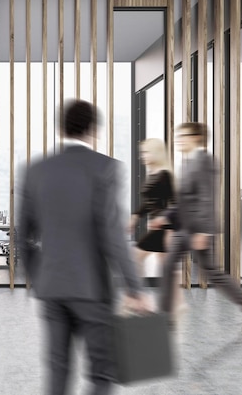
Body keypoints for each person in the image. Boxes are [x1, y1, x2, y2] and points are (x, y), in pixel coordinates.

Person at [17, 99, 151, 395]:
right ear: (93, 129)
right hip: (92, 289)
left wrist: (38, 278)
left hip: (52, 287)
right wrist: (135, 288)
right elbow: (112, 235)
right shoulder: (105, 168)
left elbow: (22, 235)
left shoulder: (36, 170)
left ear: (61, 128)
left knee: (57, 371)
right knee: (101, 374)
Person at [150, 122, 242, 332]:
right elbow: (184, 200)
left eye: (183, 135)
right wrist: (165, 217)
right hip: (183, 228)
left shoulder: (206, 161)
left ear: (197, 137)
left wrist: (204, 231)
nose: (179, 139)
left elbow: (208, 198)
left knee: (213, 273)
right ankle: (164, 318)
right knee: (168, 267)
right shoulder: (186, 163)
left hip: (198, 230)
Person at [128, 139, 184, 312]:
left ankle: (136, 299)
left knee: (134, 257)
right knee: (167, 267)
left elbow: (175, 204)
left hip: (162, 228)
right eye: (142, 152)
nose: (142, 156)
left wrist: (168, 228)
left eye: (146, 152)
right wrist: (136, 216)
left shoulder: (165, 175)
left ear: (156, 153)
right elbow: (149, 202)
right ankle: (179, 304)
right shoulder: (153, 173)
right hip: (157, 226)